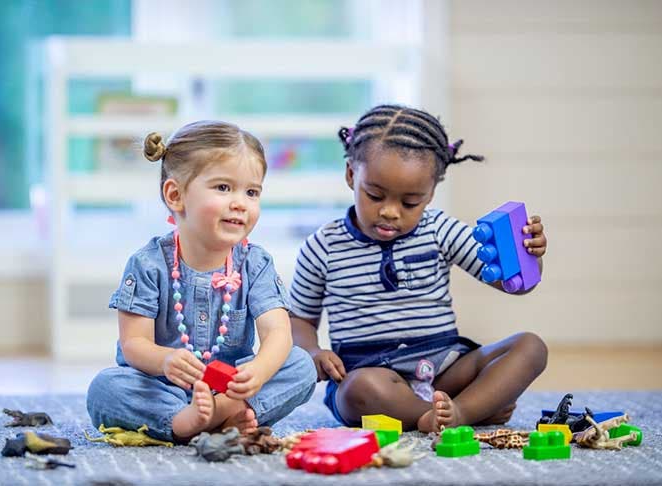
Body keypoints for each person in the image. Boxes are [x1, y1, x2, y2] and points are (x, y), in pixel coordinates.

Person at [289, 104, 548, 433]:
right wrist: (312, 351)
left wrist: (529, 256)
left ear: (431, 192)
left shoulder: (439, 229)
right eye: (374, 195)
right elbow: (300, 319)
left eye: (410, 202)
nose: (390, 212)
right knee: (358, 390)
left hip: (444, 370)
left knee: (530, 347)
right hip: (372, 374)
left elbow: (514, 283)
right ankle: (453, 411)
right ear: (351, 175)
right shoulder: (322, 246)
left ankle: (458, 413)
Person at [87, 121, 316, 442]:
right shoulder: (148, 264)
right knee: (106, 388)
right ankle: (182, 420)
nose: (240, 202)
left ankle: (225, 411)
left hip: (232, 386)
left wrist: (258, 373)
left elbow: (278, 331)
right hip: (163, 387)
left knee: (301, 365)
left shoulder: (255, 262)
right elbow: (133, 344)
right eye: (223, 188)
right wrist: (165, 360)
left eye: (251, 192)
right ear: (176, 194)